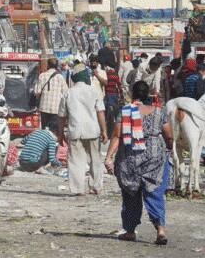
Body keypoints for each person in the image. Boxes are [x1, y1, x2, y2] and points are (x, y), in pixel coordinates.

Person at [104, 81, 173, 245]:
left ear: (133, 94)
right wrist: (168, 148)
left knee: (130, 195)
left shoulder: (125, 112)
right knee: (155, 193)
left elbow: (116, 135)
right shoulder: (159, 112)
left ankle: (129, 231)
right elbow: (169, 135)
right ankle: (160, 230)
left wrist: (108, 157)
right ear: (148, 94)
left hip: (130, 159)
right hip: (154, 159)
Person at [58, 63, 107, 195]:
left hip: (75, 131)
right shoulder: (95, 91)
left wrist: (60, 133)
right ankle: (96, 187)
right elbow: (100, 112)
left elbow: (62, 116)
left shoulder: (68, 92)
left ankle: (78, 189)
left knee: (75, 161)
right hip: (93, 130)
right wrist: (104, 130)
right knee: (95, 160)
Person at [34, 58, 68, 134]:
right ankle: (52, 144)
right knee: (53, 132)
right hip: (56, 109)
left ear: (48, 65)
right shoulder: (60, 77)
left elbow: (37, 91)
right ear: (56, 66)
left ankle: (44, 144)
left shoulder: (42, 76)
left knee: (44, 131)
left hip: (44, 108)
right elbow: (66, 93)